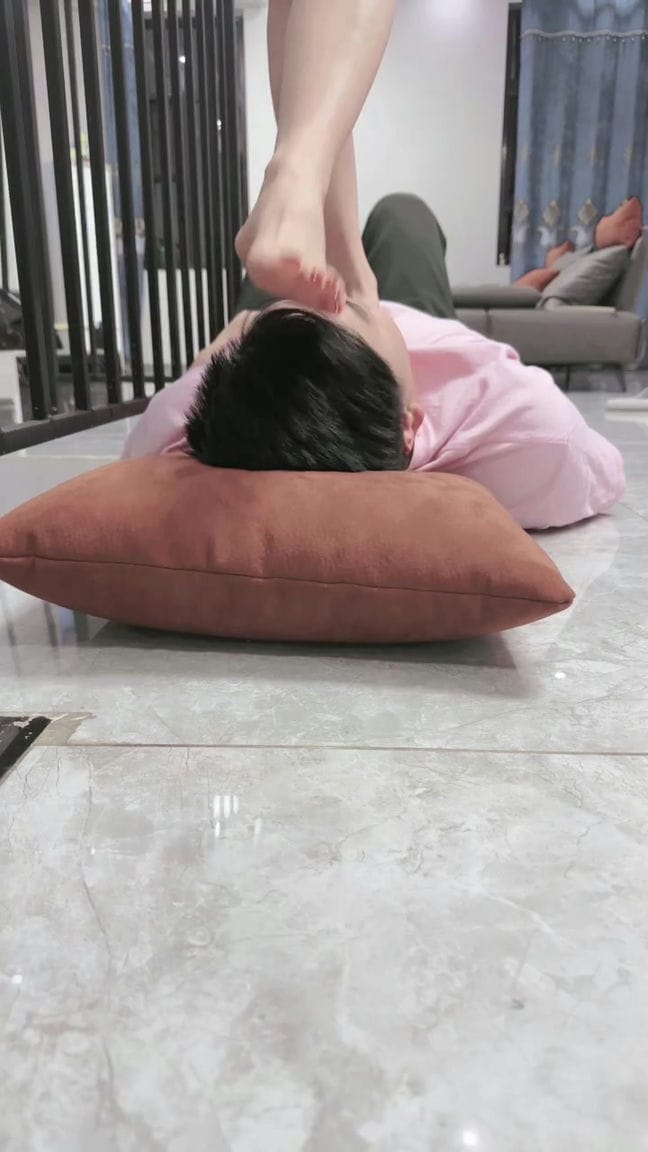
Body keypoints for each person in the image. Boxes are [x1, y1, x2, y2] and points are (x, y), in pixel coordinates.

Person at [123, 1, 625, 532]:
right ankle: (296, 183)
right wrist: (354, 288)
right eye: (350, 309)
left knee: (296, 281)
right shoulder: (527, 435)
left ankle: (297, 184)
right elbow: (603, 471)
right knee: (403, 214)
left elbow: (179, 411)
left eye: (307, 306)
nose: (330, 295)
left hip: (269, 350)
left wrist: (233, 335)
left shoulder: (183, 428)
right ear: (411, 426)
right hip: (424, 341)